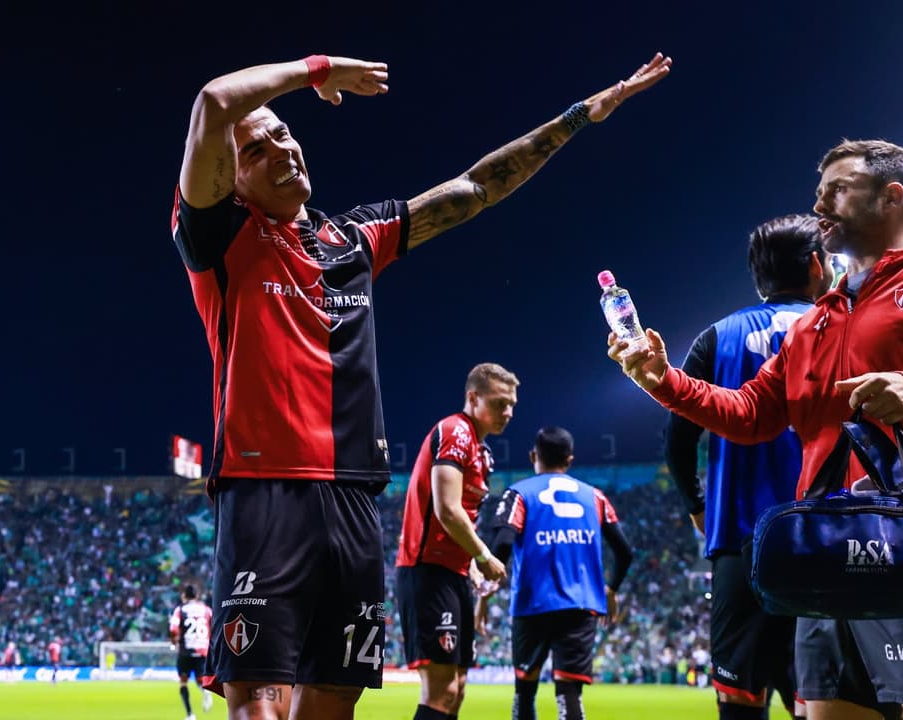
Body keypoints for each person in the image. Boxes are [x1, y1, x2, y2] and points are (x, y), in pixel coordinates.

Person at [173, 49, 670, 720]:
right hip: (266, 493)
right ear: (228, 180)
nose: (282, 149)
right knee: (257, 703)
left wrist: (579, 116)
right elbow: (213, 103)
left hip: (352, 500)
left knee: (332, 701)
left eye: (285, 135)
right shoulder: (220, 239)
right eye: (257, 149)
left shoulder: (351, 241)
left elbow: (476, 188)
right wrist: (314, 70)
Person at [607, 138, 903, 720]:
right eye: (818, 194)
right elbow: (750, 414)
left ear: (893, 197)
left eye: (838, 189)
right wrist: (662, 380)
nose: (821, 206)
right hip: (825, 563)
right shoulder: (814, 321)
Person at [665, 213, 833, 720]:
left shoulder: (717, 337)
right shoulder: (840, 328)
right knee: (822, 697)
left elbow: (678, 440)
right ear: (816, 267)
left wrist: (696, 504)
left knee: (740, 700)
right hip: (825, 541)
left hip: (741, 542)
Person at [395, 363, 520, 720]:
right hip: (427, 571)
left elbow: (464, 515)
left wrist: (472, 565)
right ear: (472, 397)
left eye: (512, 404)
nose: (508, 412)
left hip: (453, 573)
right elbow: (447, 509)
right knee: (441, 690)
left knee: (458, 688)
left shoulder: (482, 453)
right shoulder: (455, 432)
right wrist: (482, 555)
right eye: (499, 403)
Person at [485, 426, 635, 720]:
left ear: (533, 455)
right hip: (581, 606)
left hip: (533, 605)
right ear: (570, 459)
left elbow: (501, 544)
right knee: (569, 695)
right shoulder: (595, 497)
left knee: (525, 691)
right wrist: (612, 589)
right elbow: (625, 552)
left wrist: (485, 592)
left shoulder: (519, 494)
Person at [170, 585, 215, 720]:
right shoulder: (207, 610)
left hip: (186, 650)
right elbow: (215, 625)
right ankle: (205, 691)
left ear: (185, 595)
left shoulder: (180, 609)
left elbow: (173, 629)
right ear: (197, 596)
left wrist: (174, 642)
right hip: (203, 650)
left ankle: (190, 715)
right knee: (200, 680)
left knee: (183, 682)